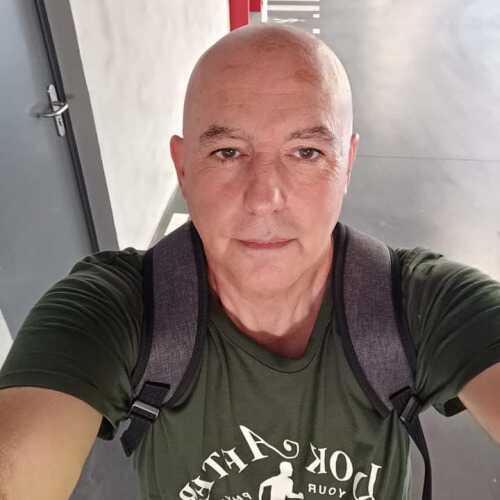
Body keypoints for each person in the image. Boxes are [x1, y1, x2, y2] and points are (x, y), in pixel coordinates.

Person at [0, 23, 499, 500]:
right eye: (227, 152)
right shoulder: (116, 310)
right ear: (183, 167)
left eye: (306, 152)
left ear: (346, 164)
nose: (264, 198)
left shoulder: (426, 305)